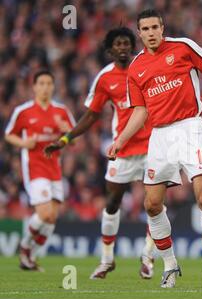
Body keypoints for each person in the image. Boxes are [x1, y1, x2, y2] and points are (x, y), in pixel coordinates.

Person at [107, 9, 202, 289]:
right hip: (159, 136)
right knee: (152, 204)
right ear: (139, 32)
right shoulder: (136, 68)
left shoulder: (183, 47)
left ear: (162, 27)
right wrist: (120, 140)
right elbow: (140, 111)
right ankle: (170, 266)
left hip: (190, 128)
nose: (150, 33)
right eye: (144, 29)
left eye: (154, 27)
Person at [44, 27, 156, 280]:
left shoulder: (147, 67)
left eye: (127, 42)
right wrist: (66, 138)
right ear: (110, 49)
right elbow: (92, 114)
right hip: (123, 149)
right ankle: (107, 259)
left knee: (154, 204)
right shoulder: (105, 78)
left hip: (153, 145)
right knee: (112, 202)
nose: (123, 47)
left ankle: (148, 257)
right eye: (118, 43)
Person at [5, 70, 76, 271]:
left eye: (48, 83)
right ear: (34, 87)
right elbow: (9, 135)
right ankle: (25, 246)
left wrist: (67, 132)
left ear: (53, 86)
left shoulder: (62, 111)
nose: (45, 87)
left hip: (55, 168)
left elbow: (75, 140)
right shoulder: (24, 111)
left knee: (52, 218)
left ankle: (29, 258)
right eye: (41, 83)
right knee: (44, 214)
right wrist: (23, 142)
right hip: (35, 167)